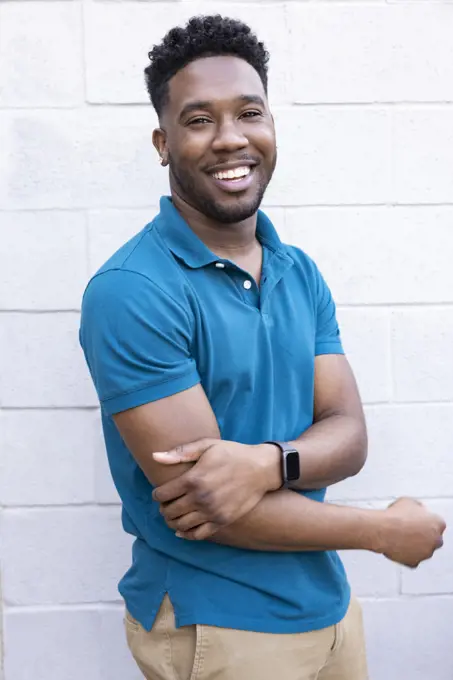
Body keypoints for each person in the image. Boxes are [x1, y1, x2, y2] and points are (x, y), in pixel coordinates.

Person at [79, 15, 446, 680]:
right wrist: (380, 531)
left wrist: (263, 464)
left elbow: (349, 433)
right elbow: (209, 507)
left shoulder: (297, 269)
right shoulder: (132, 290)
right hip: (219, 625)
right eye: (198, 120)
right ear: (163, 143)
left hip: (326, 609)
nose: (231, 138)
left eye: (249, 112)